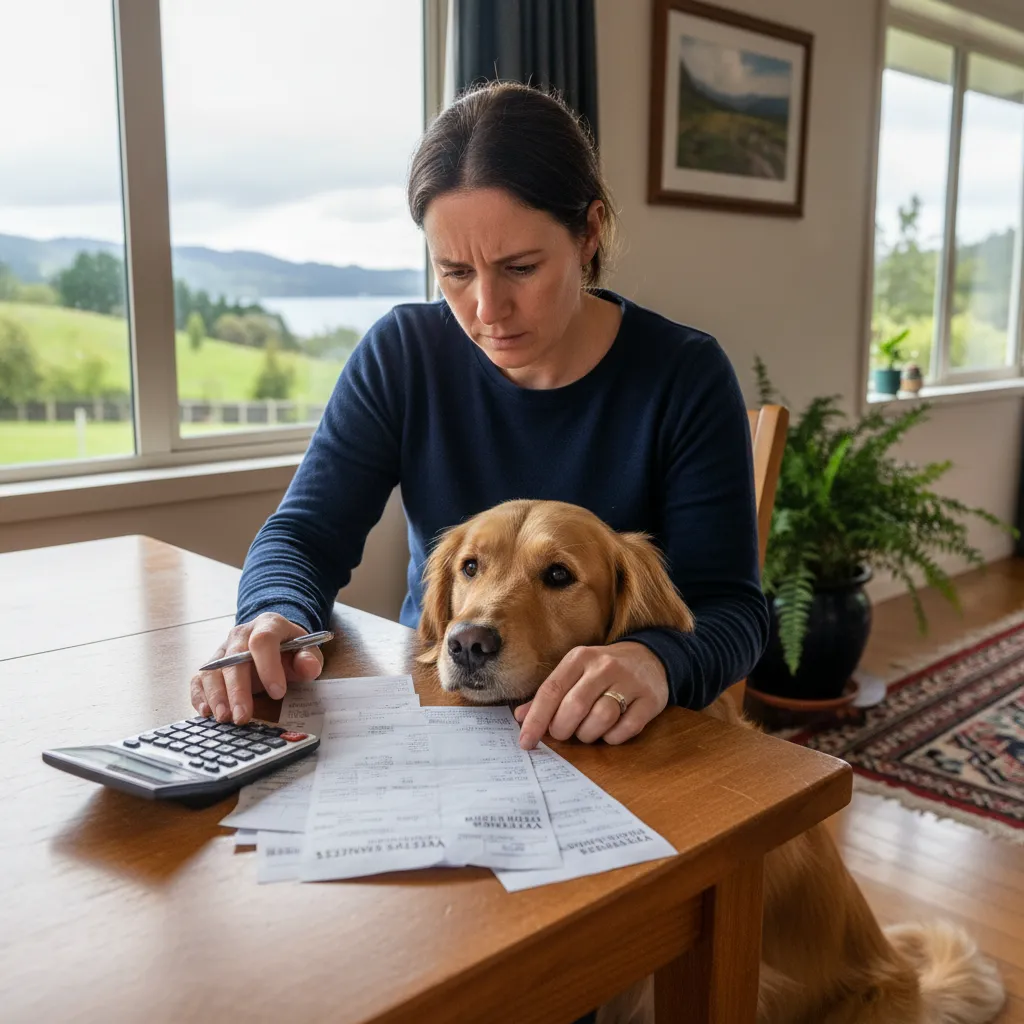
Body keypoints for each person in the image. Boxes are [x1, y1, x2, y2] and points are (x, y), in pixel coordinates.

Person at [191, 80, 769, 757]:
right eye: (455, 271)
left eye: (520, 267)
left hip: (612, 734)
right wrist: (274, 613)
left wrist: (656, 660)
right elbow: (304, 535)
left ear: (589, 233)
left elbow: (731, 610)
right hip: (440, 712)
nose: (487, 309)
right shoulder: (403, 353)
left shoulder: (684, 375)